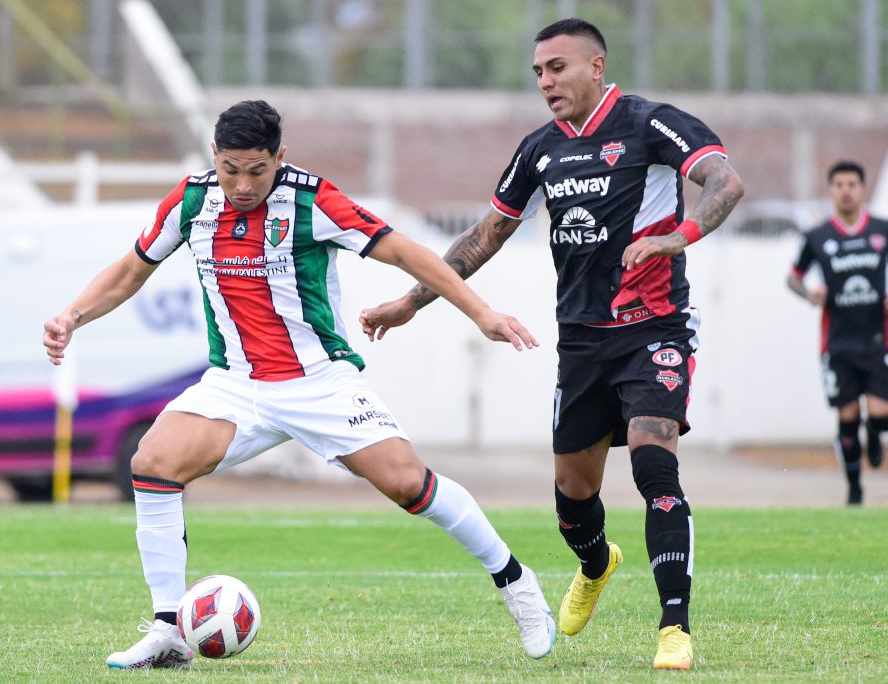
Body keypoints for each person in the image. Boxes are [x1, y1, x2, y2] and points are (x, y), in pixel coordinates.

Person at [42, 100, 557, 669]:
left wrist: (481, 313)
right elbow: (130, 269)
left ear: (280, 158)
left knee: (409, 484)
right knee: (153, 462)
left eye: (256, 171)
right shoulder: (191, 200)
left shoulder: (312, 202)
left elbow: (408, 253)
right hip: (235, 385)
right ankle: (169, 630)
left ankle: (516, 584)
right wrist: (73, 315)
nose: (241, 184)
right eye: (230, 168)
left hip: (319, 383)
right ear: (214, 156)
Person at [359, 18, 743, 671]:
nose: (546, 81)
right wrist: (412, 302)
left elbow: (724, 183)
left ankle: (673, 628)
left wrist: (679, 236)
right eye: (538, 71)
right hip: (582, 345)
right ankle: (596, 563)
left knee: (655, 465)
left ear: (596, 66)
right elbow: (484, 237)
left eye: (557, 68)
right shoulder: (539, 149)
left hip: (655, 326)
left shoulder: (650, 122)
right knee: (571, 495)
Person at [787, 160, 888, 506]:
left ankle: (875, 434)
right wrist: (809, 292)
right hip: (837, 343)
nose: (845, 190)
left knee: (882, 415)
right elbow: (793, 277)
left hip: (878, 339)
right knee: (847, 415)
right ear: (830, 191)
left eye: (851, 184)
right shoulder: (817, 236)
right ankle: (855, 491)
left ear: (862, 188)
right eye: (838, 184)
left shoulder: (885, 230)